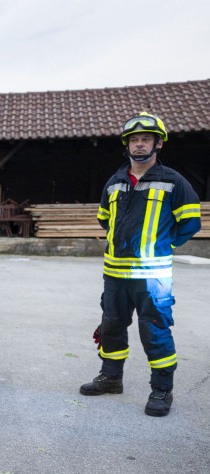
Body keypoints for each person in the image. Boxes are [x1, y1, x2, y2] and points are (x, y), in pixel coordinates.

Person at [80, 112, 201, 416]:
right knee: (111, 327)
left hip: (152, 277)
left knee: (155, 331)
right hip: (114, 274)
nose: (139, 144)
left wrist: (162, 244)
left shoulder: (174, 181)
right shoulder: (115, 181)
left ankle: (161, 390)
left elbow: (190, 223)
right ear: (127, 145)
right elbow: (105, 220)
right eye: (134, 139)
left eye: (146, 138)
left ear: (158, 143)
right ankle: (111, 378)